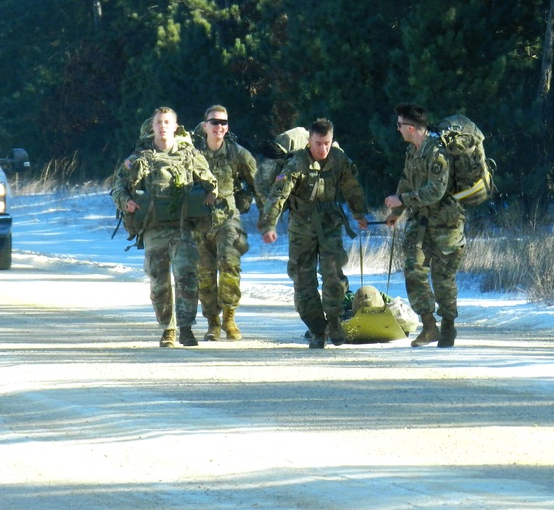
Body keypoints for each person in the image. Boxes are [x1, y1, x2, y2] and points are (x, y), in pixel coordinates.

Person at [112, 107, 217, 348]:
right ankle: (167, 328)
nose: (162, 126)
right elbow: (118, 187)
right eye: (158, 122)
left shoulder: (190, 156)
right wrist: (125, 202)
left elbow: (211, 182)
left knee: (186, 279)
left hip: (183, 228)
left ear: (175, 126)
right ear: (152, 126)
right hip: (154, 229)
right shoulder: (138, 158)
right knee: (159, 283)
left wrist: (211, 195)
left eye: (167, 122)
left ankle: (186, 328)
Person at [259, 118, 369, 348]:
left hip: (330, 224)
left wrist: (359, 214)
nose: (323, 149)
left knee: (333, 275)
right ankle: (318, 329)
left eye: (327, 143)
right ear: (309, 141)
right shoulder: (296, 163)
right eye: (318, 143)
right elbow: (278, 196)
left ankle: (335, 320)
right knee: (302, 280)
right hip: (301, 227)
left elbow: (352, 186)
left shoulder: (339, 160)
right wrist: (269, 225)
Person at [384, 103, 464, 348]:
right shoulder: (413, 152)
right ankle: (429, 327)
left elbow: (436, 191)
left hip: (446, 225)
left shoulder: (437, 152)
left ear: (410, 127)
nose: (398, 130)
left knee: (443, 279)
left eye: (399, 125)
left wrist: (404, 200)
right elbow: (406, 182)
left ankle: (448, 326)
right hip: (420, 223)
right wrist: (396, 212)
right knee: (413, 271)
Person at [193, 105, 261, 341]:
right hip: (198, 221)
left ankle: (229, 319)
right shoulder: (191, 152)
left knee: (230, 265)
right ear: (205, 126)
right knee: (205, 274)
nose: (218, 126)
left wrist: (267, 218)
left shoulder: (238, 154)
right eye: (214, 122)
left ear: (227, 127)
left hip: (228, 218)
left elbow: (259, 185)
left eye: (223, 122)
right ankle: (212, 322)